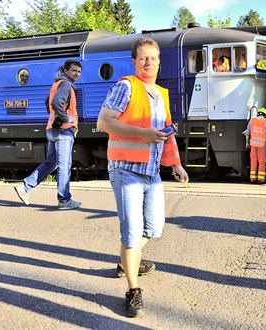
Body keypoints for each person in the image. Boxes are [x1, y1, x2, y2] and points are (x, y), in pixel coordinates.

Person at [96, 37, 189, 318]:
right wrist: (143, 134)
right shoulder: (126, 86)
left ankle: (127, 260)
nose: (148, 62)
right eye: (143, 58)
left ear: (159, 62)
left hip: (151, 173)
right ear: (135, 62)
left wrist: (176, 164)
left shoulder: (161, 93)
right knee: (132, 232)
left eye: (153, 58)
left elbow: (167, 132)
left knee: (154, 228)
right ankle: (133, 290)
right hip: (125, 170)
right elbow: (103, 122)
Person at [14, 60, 82, 209]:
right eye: (74, 71)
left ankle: (25, 187)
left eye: (79, 71)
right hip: (63, 131)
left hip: (52, 130)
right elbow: (56, 103)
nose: (77, 74)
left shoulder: (57, 84)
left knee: (51, 163)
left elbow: (48, 103)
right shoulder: (66, 84)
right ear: (66, 70)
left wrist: (57, 118)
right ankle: (64, 200)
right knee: (64, 166)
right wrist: (65, 119)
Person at [245, 107, 266, 184]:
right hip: (262, 145)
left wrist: (247, 143)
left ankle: (252, 179)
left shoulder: (252, 121)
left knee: (253, 161)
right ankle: (261, 179)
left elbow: (247, 133)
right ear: (265, 115)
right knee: (262, 161)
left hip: (253, 144)